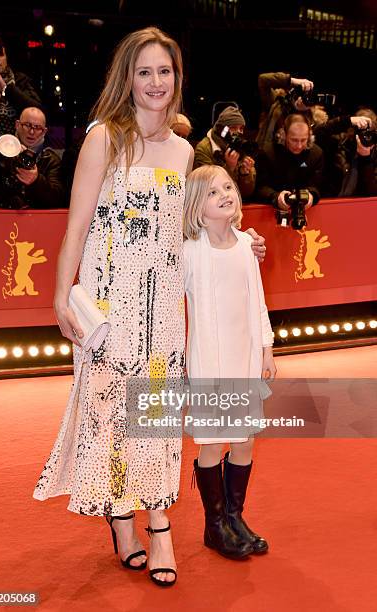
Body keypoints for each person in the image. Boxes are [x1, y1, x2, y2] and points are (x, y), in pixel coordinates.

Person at [32, 27, 266, 588]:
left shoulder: (186, 151)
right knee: (111, 418)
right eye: (144, 72)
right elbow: (76, 226)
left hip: (163, 309)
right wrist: (63, 295)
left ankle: (158, 524)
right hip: (109, 306)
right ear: (127, 79)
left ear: (176, 80)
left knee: (157, 421)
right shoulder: (102, 139)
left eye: (164, 72)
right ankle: (121, 520)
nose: (155, 83)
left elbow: (192, 227)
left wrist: (242, 239)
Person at [183, 164, 276, 560]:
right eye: (211, 191)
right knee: (211, 444)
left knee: (244, 440)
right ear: (196, 208)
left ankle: (235, 517)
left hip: (244, 359)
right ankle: (214, 524)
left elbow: (257, 300)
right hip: (209, 363)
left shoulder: (245, 246)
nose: (224, 194)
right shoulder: (188, 252)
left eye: (227, 186)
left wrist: (266, 348)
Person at [0, 107, 65, 209]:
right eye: (27, 125)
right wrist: (1, 157)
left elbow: (58, 199)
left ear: (44, 131)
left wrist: (36, 181)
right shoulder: (0, 147)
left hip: (36, 218)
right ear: (17, 125)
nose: (31, 132)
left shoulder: (50, 159)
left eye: (38, 127)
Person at [255, 113, 324, 212]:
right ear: (284, 135)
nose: (299, 146)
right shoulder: (268, 152)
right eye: (294, 140)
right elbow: (260, 187)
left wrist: (311, 196)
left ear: (309, 136)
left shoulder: (316, 154)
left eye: (303, 140)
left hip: (306, 210)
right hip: (270, 209)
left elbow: (316, 186)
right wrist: (276, 197)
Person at [194, 106, 257, 200]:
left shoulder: (240, 147)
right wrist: (229, 167)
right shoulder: (204, 149)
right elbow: (208, 188)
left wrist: (245, 174)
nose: (238, 132)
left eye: (241, 128)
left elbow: (246, 194)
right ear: (221, 130)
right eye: (233, 128)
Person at [256, 71, 314, 148]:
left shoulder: (314, 116)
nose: (301, 97)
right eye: (299, 89)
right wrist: (291, 80)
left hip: (299, 155)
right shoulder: (277, 102)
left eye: (304, 93)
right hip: (270, 152)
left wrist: (304, 111)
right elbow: (263, 79)